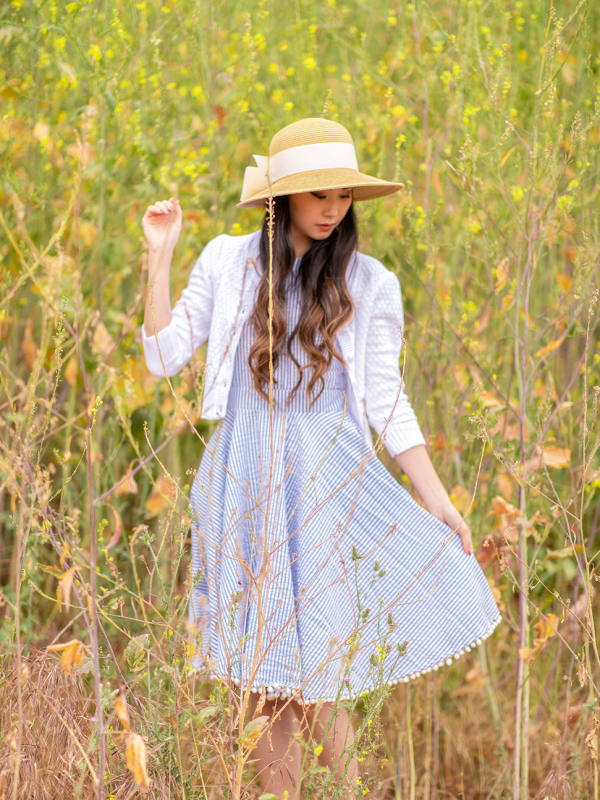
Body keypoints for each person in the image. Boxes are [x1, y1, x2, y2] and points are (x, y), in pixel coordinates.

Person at [141, 118, 501, 798]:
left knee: (317, 665)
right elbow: (162, 356)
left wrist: (438, 500)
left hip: (328, 482)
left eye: (342, 195)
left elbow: (389, 402)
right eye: (317, 195)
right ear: (280, 199)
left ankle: (356, 792)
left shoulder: (370, 283)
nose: (333, 208)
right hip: (242, 478)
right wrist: (159, 255)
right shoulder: (227, 260)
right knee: (264, 675)